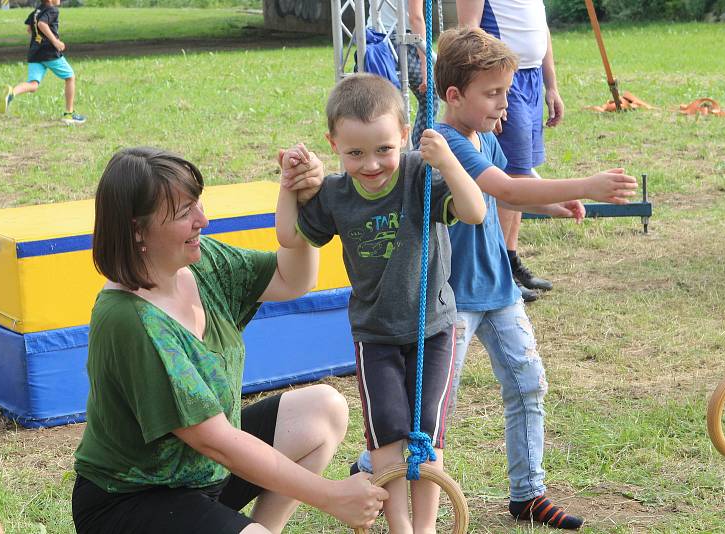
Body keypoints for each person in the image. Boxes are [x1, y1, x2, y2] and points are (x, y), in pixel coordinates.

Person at [354, 27, 638, 530]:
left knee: (528, 384)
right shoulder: (443, 146)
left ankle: (528, 493)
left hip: (499, 289)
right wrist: (588, 185)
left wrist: (550, 201)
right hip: (452, 302)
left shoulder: (483, 136)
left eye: (506, 92)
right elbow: (501, 185)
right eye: (493, 94)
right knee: (436, 414)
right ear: (454, 95)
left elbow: (507, 193)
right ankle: (372, 468)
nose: (504, 104)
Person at [71, 146, 388, 534]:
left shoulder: (199, 264)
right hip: (132, 501)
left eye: (197, 205)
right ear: (138, 229)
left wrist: (300, 203)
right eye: (185, 213)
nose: (202, 220)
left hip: (204, 478)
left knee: (324, 409)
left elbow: (293, 279)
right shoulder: (129, 319)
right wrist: (331, 496)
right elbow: (216, 441)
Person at [275, 73, 486, 533]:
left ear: (405, 136)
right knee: (387, 436)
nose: (371, 164)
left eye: (383, 149)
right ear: (333, 144)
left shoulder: (418, 176)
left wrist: (448, 162)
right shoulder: (335, 194)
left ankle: (425, 527)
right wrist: (287, 184)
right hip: (375, 335)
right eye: (355, 153)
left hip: (434, 326)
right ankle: (400, 527)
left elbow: (475, 212)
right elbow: (289, 236)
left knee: (426, 436)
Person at [457, 0, 564, 302]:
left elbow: (541, 30)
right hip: (507, 81)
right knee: (513, 176)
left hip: (530, 79)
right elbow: (470, 34)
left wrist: (551, 85)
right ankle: (499, 270)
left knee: (519, 170)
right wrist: (491, 96)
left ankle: (510, 259)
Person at [0, 0, 86, 125]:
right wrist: (55, 41)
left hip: (35, 52)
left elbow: (29, 28)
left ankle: (12, 93)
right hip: (49, 53)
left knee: (33, 85)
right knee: (70, 77)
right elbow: (42, 24)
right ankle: (69, 114)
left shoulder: (37, 11)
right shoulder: (52, 10)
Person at [369, 0, 438, 148]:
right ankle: (419, 154)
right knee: (431, 95)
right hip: (401, 40)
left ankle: (382, 149)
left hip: (372, 41)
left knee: (383, 105)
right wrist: (425, 64)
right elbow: (416, 18)